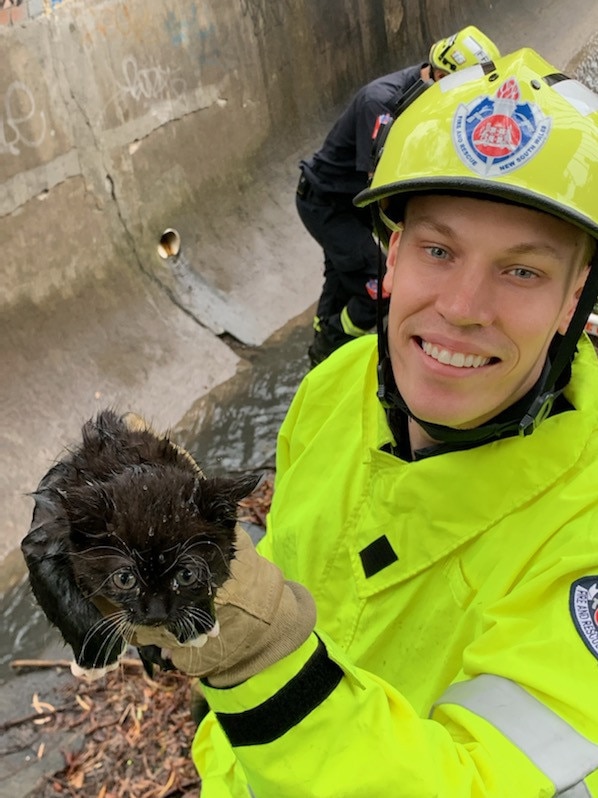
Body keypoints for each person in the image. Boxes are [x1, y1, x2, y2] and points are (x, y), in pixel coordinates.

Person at [132, 47, 598, 796]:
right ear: (393, 251)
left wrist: (252, 663)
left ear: (574, 297)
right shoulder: (337, 385)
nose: (462, 307)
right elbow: (289, 564)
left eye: (522, 271)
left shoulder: (584, 538)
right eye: (439, 249)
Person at [296, 24, 500, 367]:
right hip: (330, 205)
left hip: (352, 202)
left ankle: (322, 339)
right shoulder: (381, 103)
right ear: (438, 75)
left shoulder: (429, 96)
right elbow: (383, 186)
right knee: (380, 284)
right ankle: (335, 351)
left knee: (344, 274)